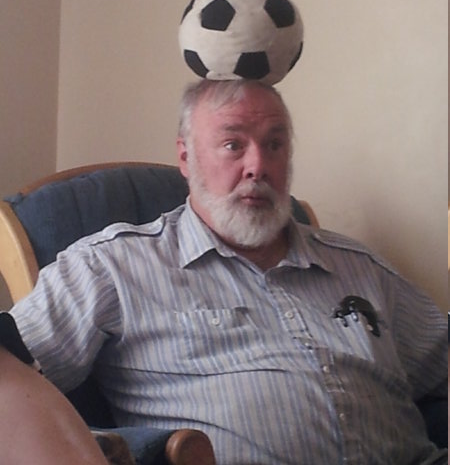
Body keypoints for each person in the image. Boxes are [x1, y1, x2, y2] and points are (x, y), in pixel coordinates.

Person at [1, 79, 447, 465]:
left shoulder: (360, 267)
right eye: (234, 145)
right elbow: (8, 374)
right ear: (186, 157)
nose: (258, 166)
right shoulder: (113, 267)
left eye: (274, 145)